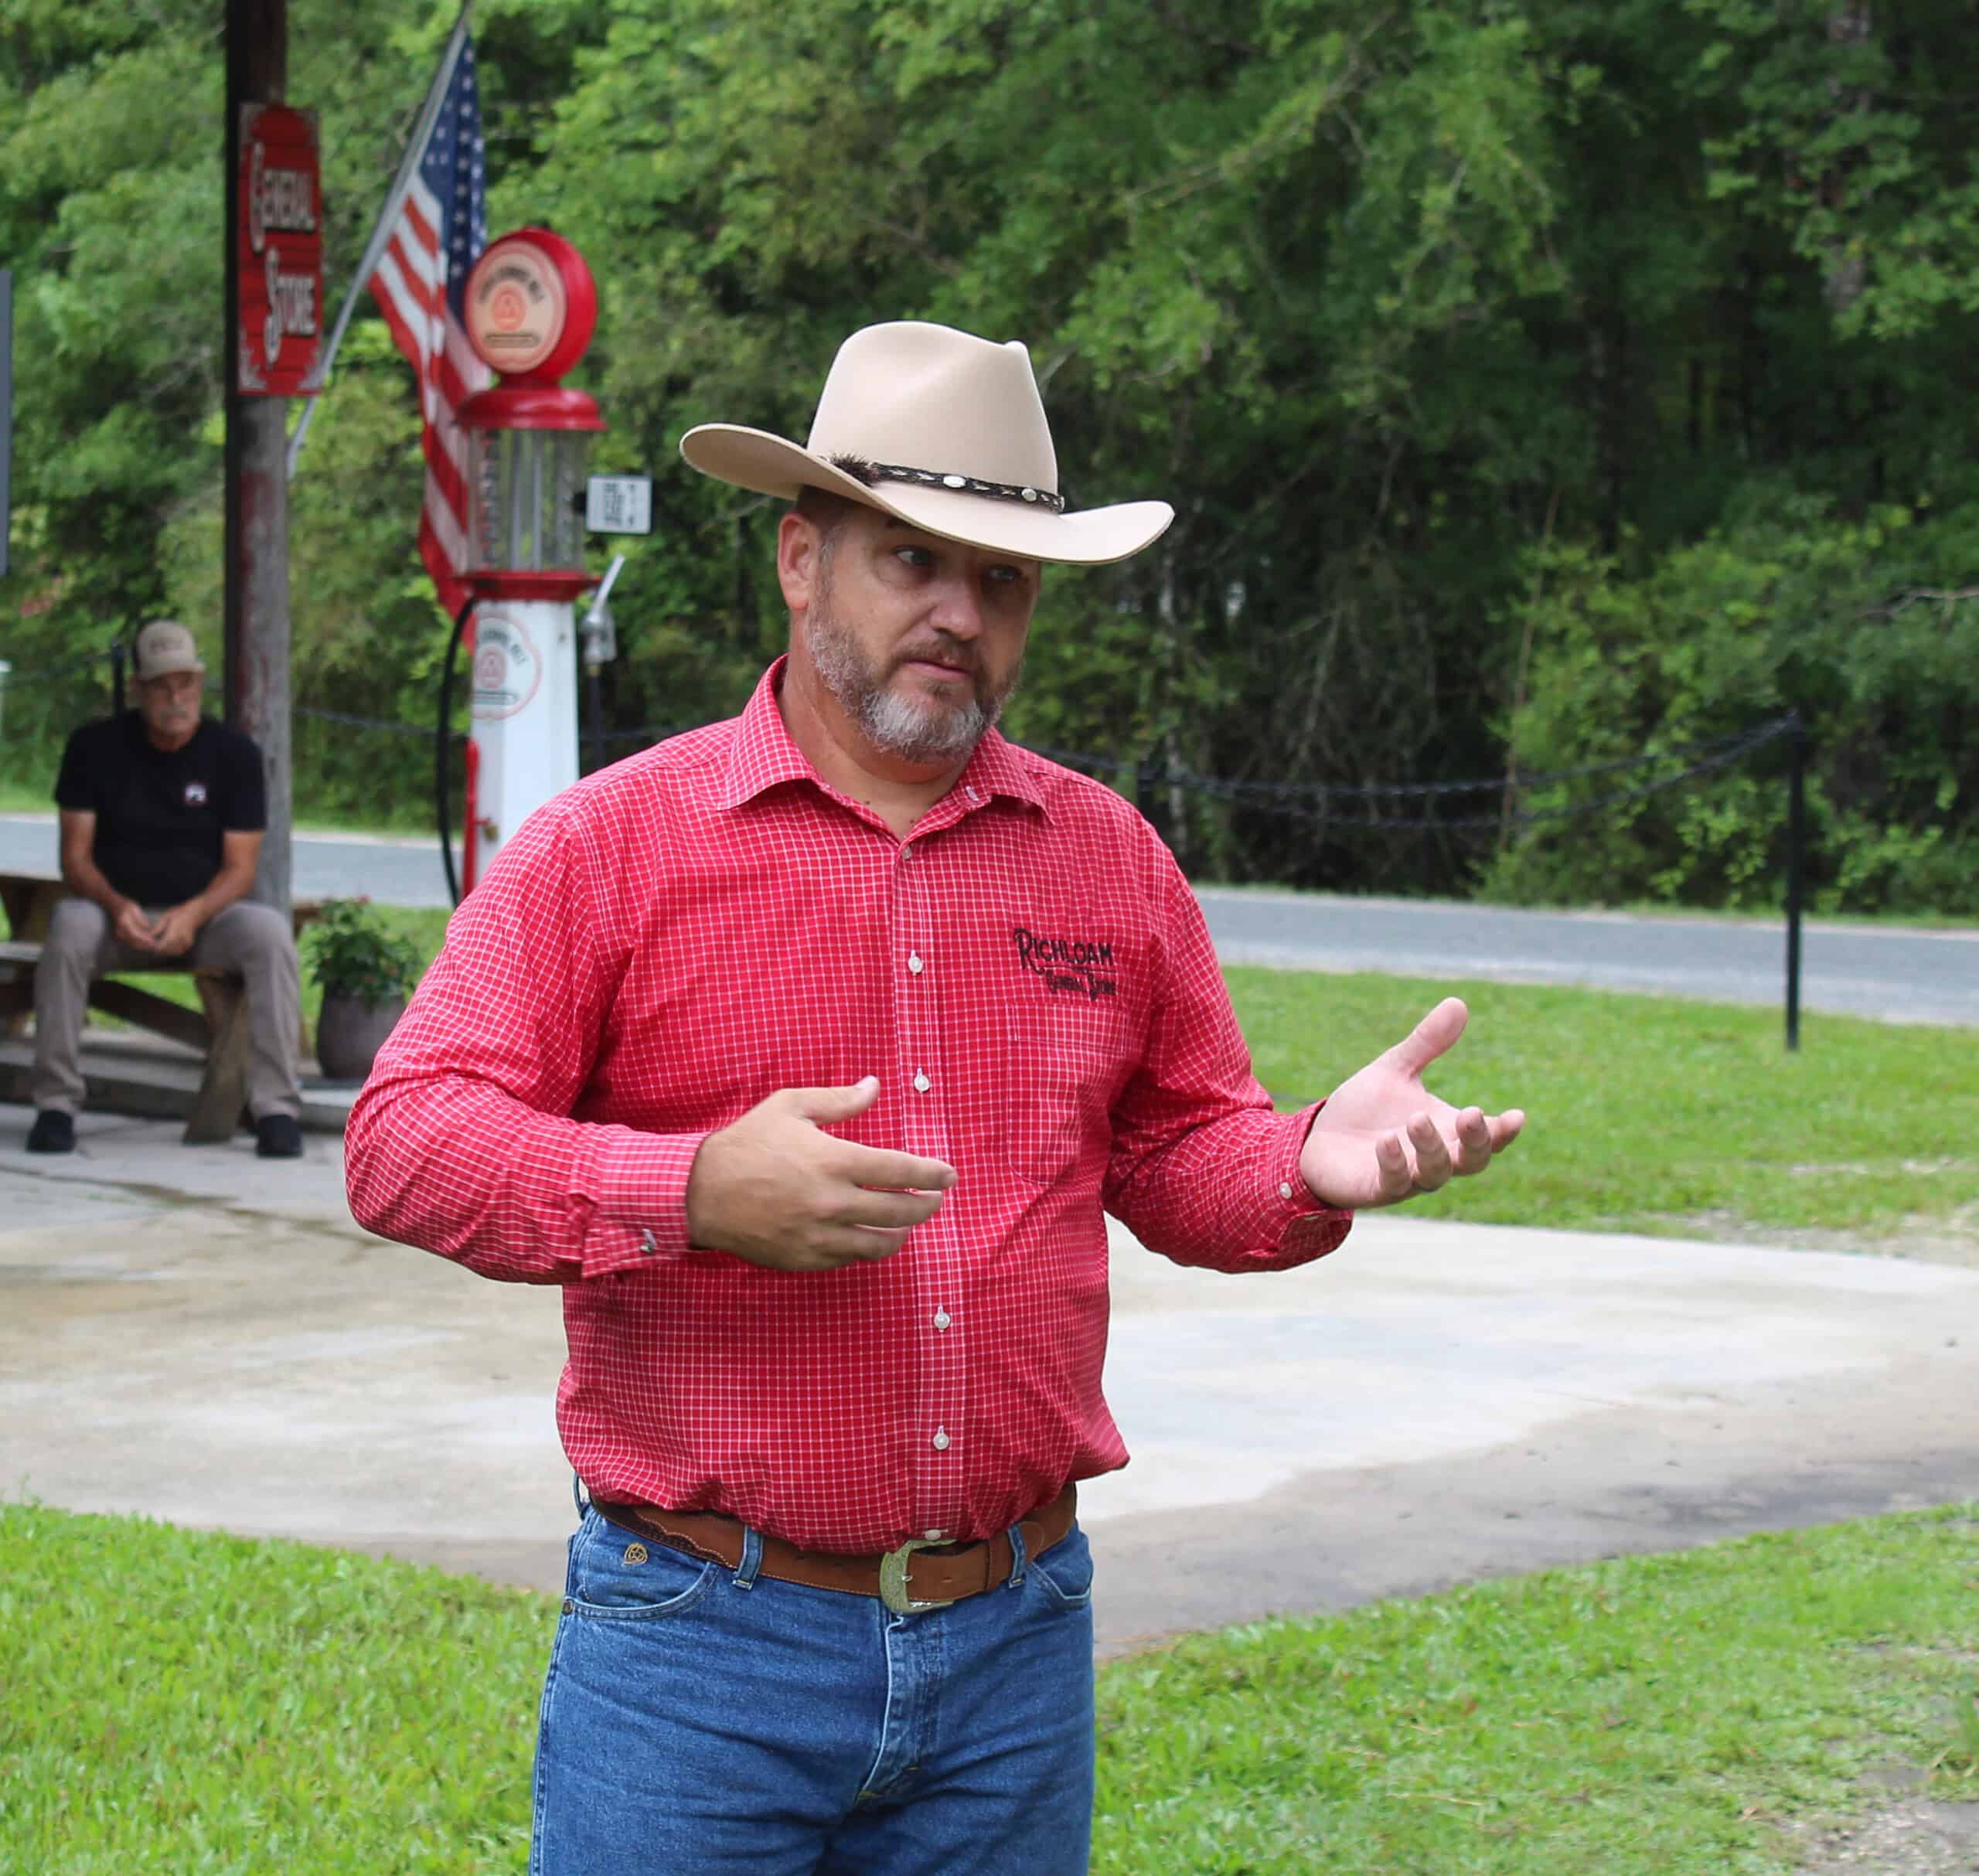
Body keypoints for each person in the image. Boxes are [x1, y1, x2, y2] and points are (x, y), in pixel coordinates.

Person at [344, 321, 1525, 1874]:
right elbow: (405, 1142)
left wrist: (1303, 1154)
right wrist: (690, 1188)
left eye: (1002, 580)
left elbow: (1178, 1150)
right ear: (800, 559)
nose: (959, 614)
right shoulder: (611, 845)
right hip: (700, 1643)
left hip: (1012, 1649)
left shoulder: (1103, 856)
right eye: (911, 561)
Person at [27, 618, 304, 1159]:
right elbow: (74, 857)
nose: (175, 697)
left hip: (205, 918)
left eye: (185, 683)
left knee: (270, 931)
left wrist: (192, 915)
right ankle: (55, 1103)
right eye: (161, 685)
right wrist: (117, 905)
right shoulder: (92, 747)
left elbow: (241, 869)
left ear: (200, 683)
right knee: (66, 928)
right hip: (113, 914)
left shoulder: (235, 755)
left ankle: (276, 1108)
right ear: (138, 688)